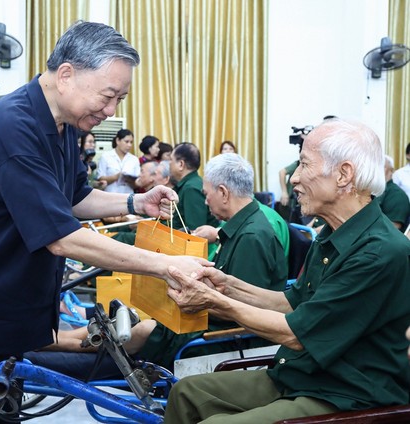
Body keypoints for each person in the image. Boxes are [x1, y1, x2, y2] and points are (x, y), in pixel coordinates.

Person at [0, 21, 208, 422]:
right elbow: (62, 237)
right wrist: (168, 265)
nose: (111, 111)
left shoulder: (63, 125)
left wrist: (136, 202)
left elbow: (75, 197)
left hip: (1, 308)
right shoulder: (12, 127)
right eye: (108, 96)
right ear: (66, 75)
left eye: (120, 98)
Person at [163, 118, 410, 423]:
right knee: (185, 393)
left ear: (344, 175)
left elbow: (296, 334)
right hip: (303, 373)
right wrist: (226, 284)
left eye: (304, 165)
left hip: (346, 393)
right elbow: (293, 301)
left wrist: (214, 301)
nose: (293, 178)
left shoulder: (380, 251)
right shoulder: (333, 233)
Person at [26, 153, 287, 374]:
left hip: (218, 336)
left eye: (207, 195)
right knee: (133, 317)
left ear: (223, 193)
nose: (205, 201)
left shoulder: (253, 237)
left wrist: (182, 299)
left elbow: (243, 310)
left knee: (143, 328)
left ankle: (62, 344)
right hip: (206, 320)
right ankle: (60, 339)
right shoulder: (243, 229)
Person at [170, 142, 220, 231]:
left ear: (181, 164)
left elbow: (195, 231)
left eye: (171, 160)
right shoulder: (190, 184)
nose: (169, 164)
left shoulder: (191, 188)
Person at [96, 128, 140, 193]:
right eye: (126, 141)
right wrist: (116, 177)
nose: (129, 145)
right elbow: (100, 178)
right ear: (118, 141)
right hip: (110, 195)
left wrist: (130, 180)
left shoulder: (134, 159)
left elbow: (137, 183)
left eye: (131, 142)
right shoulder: (106, 156)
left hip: (128, 196)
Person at [377, 155, 410, 231]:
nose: (377, 170)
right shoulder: (372, 191)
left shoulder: (397, 195)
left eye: (381, 166)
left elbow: (393, 227)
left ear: (391, 170)